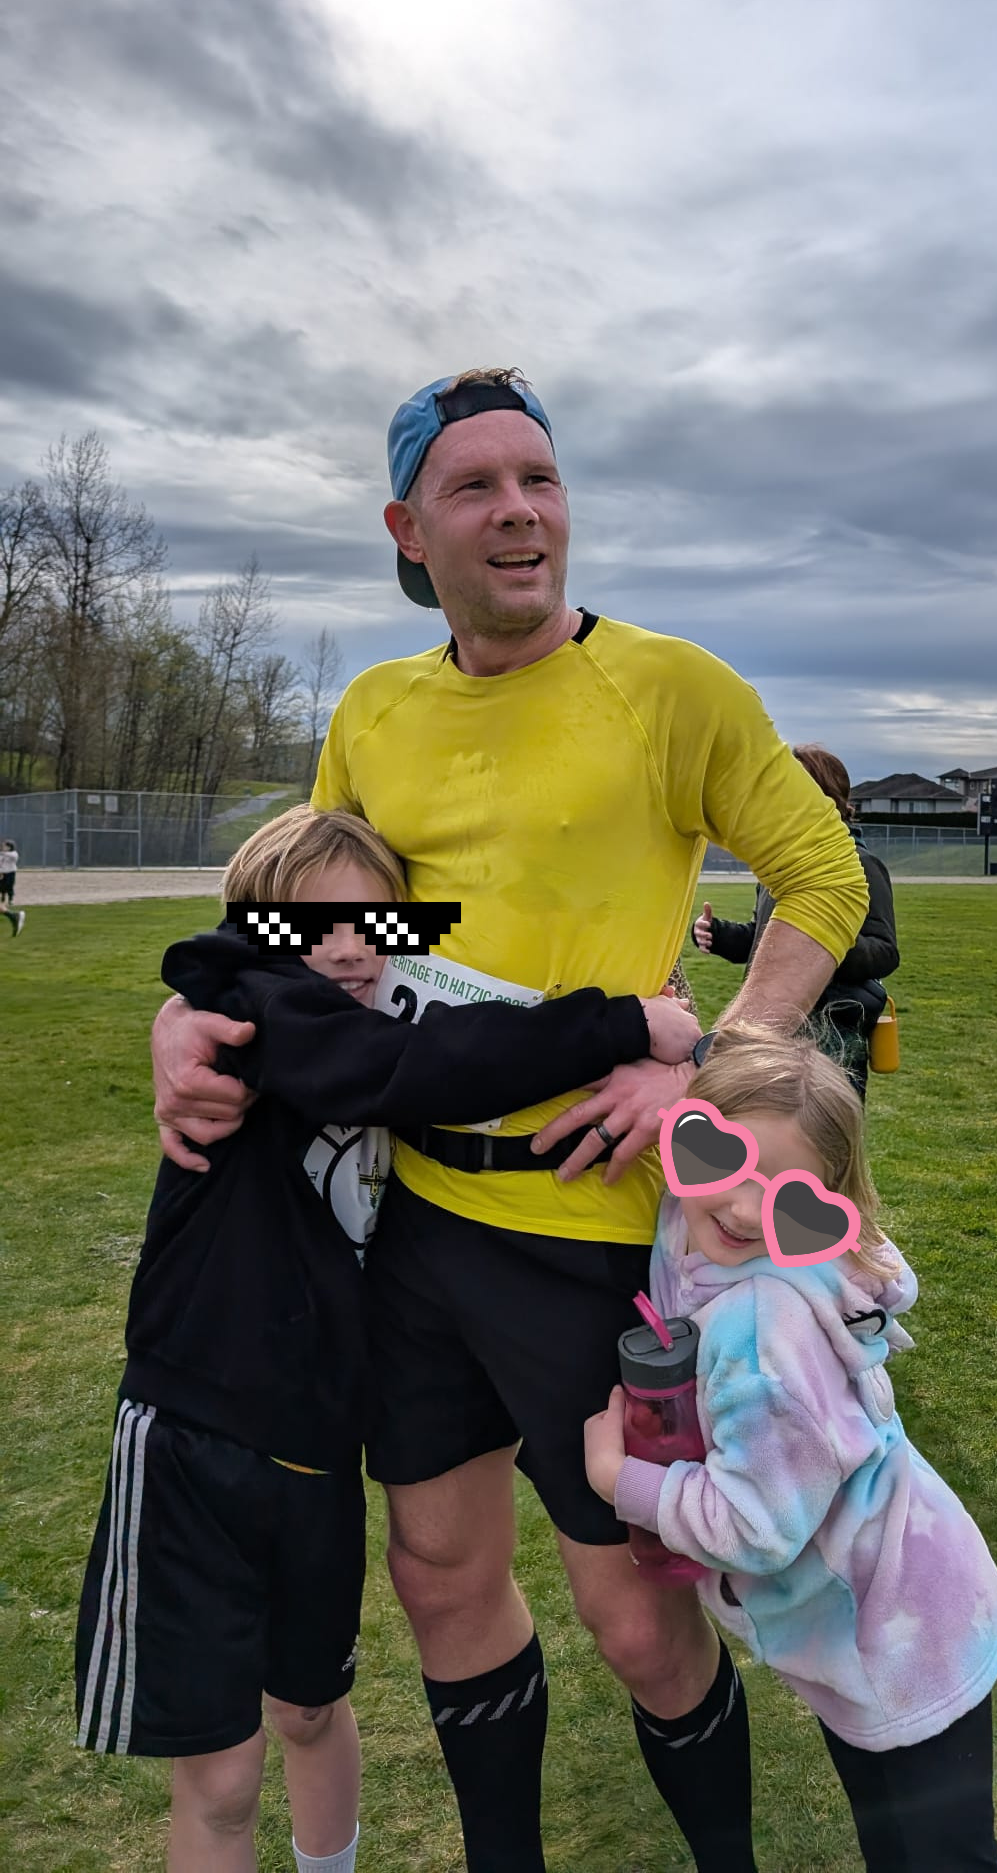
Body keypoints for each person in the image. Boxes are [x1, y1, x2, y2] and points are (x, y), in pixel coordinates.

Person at [149, 367, 868, 1873]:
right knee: (437, 1577)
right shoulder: (375, 709)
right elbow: (305, 917)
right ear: (410, 530)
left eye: (538, 478)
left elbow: (824, 879)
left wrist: (708, 1065)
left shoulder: (672, 687)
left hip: (595, 1235)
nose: (519, 510)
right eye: (474, 486)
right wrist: (187, 1013)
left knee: (635, 1614)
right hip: (409, 1222)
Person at [80, 802, 697, 1873]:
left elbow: (463, 1038)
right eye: (309, 926)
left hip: (317, 1452)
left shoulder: (366, 1018)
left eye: (377, 922)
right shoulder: (258, 1010)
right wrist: (623, 1024)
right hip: (197, 1438)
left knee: (311, 1711)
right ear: (252, 932)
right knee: (222, 1777)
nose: (347, 948)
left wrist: (674, 1040)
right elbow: (415, 1068)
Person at [584, 1023, 997, 1872]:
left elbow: (757, 1526)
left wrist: (620, 1480)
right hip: (878, 1622)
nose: (745, 1209)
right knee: (898, 1849)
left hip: (905, 1641)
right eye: (725, 1163)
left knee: (938, 1858)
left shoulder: (765, 1329)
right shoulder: (693, 1223)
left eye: (784, 1191)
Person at [693, 745, 897, 1098]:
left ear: (823, 795)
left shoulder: (861, 863)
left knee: (821, 1128)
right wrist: (718, 934)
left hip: (832, 1034)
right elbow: (765, 940)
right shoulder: (780, 866)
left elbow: (885, 952)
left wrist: (821, 942)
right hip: (775, 1025)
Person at [1, 838, 22, 935]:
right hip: (3, 874)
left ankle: (13, 915)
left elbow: (12, 857)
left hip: (10, 874)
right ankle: (13, 916)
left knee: (9, 888)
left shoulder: (13, 853)